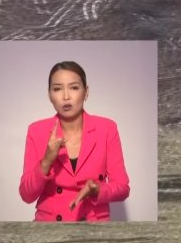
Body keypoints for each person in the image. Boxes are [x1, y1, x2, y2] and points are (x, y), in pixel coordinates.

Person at [19, 61, 130, 222]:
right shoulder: (37, 131)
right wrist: (46, 161)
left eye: (74, 87)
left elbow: (122, 188)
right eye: (57, 89)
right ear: (49, 95)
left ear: (86, 92)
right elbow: (26, 195)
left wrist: (97, 189)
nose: (66, 96)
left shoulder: (107, 129)